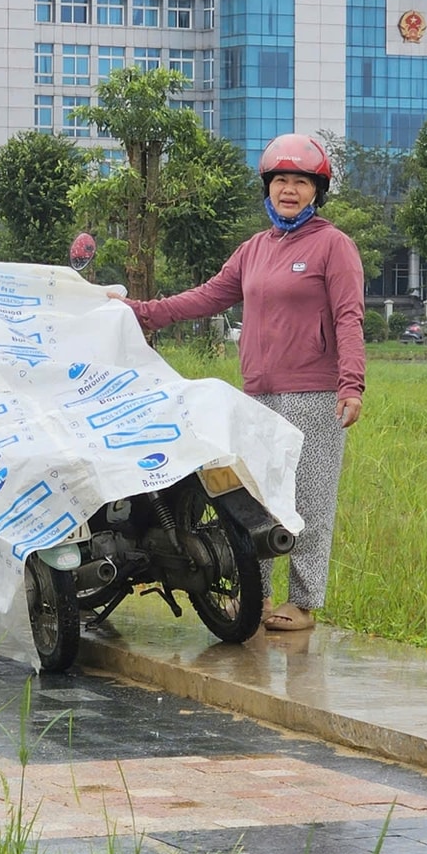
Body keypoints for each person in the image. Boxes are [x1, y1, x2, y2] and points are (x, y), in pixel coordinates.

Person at [115, 133, 366, 632]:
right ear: (267, 188)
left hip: (315, 394)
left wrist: (351, 384)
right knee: (255, 499)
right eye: (280, 181)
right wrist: (143, 313)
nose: (289, 190)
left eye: (300, 182)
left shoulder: (333, 246)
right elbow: (208, 296)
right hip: (258, 392)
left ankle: (305, 601)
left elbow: (349, 316)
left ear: (317, 191)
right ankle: (261, 597)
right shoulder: (254, 249)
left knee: (307, 499)